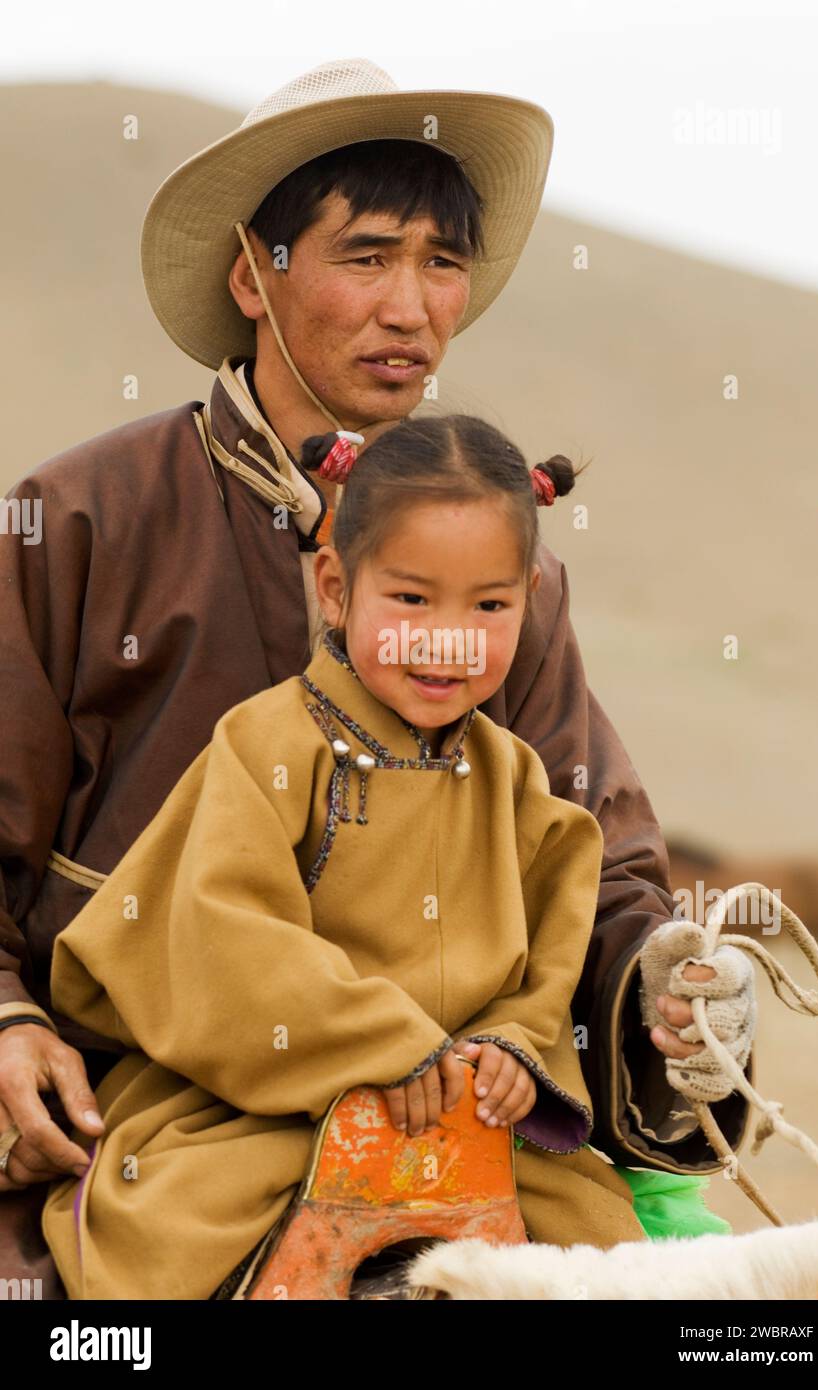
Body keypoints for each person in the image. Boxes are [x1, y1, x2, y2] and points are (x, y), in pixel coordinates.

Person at [0, 58, 754, 1297]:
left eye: (441, 265)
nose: (411, 308)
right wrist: (9, 1023)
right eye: (364, 257)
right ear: (256, 273)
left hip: (462, 1127)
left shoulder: (511, 569)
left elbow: (598, 866)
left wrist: (669, 988)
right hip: (153, 1130)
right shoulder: (79, 522)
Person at [41, 415, 728, 1300]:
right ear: (335, 588)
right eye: (410, 600)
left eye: (488, 607)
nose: (448, 638)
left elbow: (546, 965)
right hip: (266, 1116)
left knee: (619, 1276)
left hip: (472, 1126)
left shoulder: (516, 781)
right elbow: (223, 932)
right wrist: (385, 1045)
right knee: (167, 1256)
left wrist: (514, 1053)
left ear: (529, 600)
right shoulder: (267, 744)